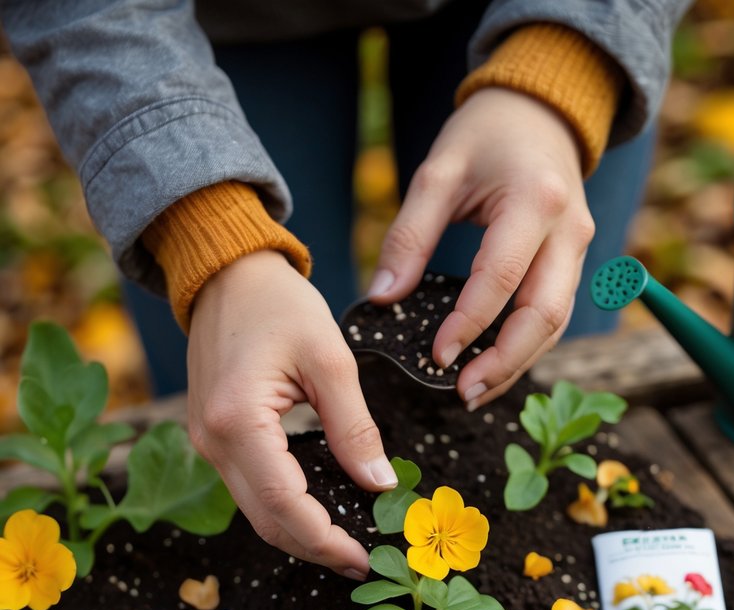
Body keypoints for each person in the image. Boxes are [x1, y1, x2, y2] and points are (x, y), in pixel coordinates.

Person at [1, 1, 691, 580]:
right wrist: (203, 231)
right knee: (254, 405)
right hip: (214, 24)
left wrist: (563, 68)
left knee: (510, 348)